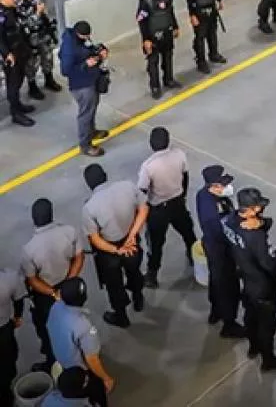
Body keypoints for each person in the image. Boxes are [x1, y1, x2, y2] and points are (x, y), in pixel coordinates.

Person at [223, 187, 276, 370]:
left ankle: (253, 347)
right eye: (258, 207)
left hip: (246, 280)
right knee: (267, 325)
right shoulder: (256, 236)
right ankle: (268, 360)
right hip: (262, 286)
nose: (261, 209)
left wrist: (260, 222)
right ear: (250, 210)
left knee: (251, 316)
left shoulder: (229, 221)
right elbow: (268, 264)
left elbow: (266, 222)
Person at [21, 198, 84, 373]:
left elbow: (32, 279)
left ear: (33, 219)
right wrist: (69, 282)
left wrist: (53, 293)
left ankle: (52, 361)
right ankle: (79, 354)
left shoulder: (28, 249)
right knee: (74, 321)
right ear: (51, 214)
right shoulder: (69, 232)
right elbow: (79, 257)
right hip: (69, 286)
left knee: (47, 329)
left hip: (46, 294)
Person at [81, 164, 147, 328]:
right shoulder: (128, 186)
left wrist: (117, 250)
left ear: (88, 184)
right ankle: (138, 299)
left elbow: (95, 239)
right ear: (105, 175)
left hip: (109, 250)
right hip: (131, 242)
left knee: (114, 284)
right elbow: (143, 209)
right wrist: (132, 235)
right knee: (134, 271)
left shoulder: (89, 207)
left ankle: (121, 317)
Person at [137, 126, 197, 289]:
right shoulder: (179, 154)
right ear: (168, 141)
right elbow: (185, 176)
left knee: (156, 244)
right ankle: (194, 257)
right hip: (178, 203)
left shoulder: (148, 166)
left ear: (151, 143)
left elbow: (142, 190)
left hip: (158, 210)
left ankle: (152, 275)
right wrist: (183, 195)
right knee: (188, 232)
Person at [195, 165, 245, 338]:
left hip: (216, 246)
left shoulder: (213, 196)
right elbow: (219, 231)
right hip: (220, 250)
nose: (227, 187)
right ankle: (229, 324)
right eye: (223, 184)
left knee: (216, 281)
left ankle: (215, 311)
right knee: (228, 286)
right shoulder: (209, 207)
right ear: (213, 186)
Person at [47, 278, 114, 405]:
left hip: (61, 360)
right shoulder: (84, 326)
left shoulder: (55, 307)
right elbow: (92, 359)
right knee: (97, 390)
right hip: (78, 370)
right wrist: (106, 378)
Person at [57, 20, 107, 153]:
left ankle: (92, 131)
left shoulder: (81, 40)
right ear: (78, 34)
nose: (88, 38)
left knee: (92, 108)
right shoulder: (69, 48)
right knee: (85, 114)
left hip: (91, 79)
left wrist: (100, 52)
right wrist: (85, 64)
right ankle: (85, 145)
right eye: (85, 36)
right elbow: (65, 71)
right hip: (81, 86)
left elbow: (89, 49)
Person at [135, 0, 180, 99]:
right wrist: (146, 39)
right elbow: (142, 21)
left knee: (168, 58)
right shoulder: (145, 2)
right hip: (153, 37)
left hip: (167, 34)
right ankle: (155, 86)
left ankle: (169, 79)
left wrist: (175, 26)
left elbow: (171, 13)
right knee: (153, 63)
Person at [14, 0, 60, 100]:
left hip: (43, 34)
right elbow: (24, 24)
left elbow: (46, 15)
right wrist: (37, 13)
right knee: (31, 64)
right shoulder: (17, 5)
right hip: (30, 39)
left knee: (48, 57)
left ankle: (49, 80)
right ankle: (32, 87)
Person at [0, 0, 35, 126]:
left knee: (20, 79)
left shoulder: (12, 9)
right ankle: (16, 113)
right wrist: (6, 54)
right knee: (13, 84)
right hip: (10, 55)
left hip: (20, 49)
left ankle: (18, 105)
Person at [0, 265, 24, 407]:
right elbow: (18, 300)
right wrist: (17, 317)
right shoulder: (9, 277)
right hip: (4, 328)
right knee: (7, 359)